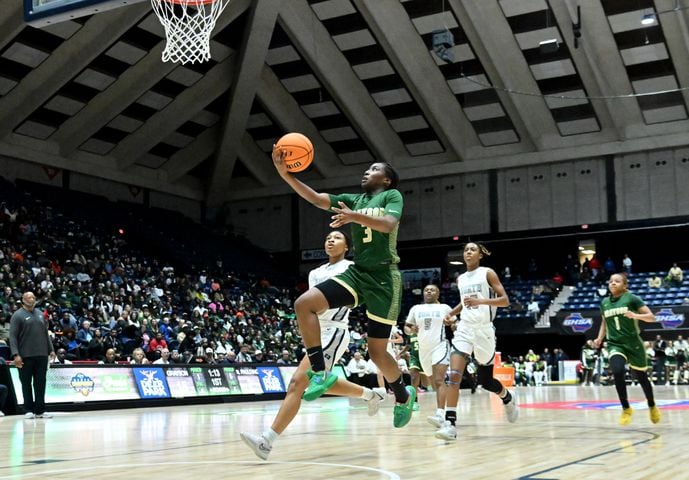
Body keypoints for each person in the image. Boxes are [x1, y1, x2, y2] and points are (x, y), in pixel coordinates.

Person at [267, 147, 415, 427]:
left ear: (386, 180)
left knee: (377, 352)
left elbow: (387, 224)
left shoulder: (391, 196)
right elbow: (316, 198)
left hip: (384, 278)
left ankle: (403, 395)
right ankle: (321, 372)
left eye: (374, 169)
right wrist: (286, 175)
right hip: (359, 273)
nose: (367, 171)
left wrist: (354, 217)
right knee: (304, 304)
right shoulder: (353, 199)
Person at [240, 230, 387, 460]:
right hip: (316, 331)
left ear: (347, 247)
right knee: (321, 384)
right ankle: (371, 395)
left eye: (337, 238)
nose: (331, 240)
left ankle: (266, 442)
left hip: (335, 330)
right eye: (328, 237)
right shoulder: (315, 273)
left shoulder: (351, 269)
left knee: (297, 383)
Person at [436, 242, 518, 441]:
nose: (468, 252)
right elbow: (465, 302)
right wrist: (451, 313)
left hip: (484, 330)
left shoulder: (487, 273)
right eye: (466, 250)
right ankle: (450, 425)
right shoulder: (461, 278)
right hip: (465, 329)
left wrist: (481, 301)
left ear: (480, 255)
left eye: (473, 249)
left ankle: (507, 397)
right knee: (453, 375)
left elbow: (505, 300)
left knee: (486, 381)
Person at [593, 273, 661, 425]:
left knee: (642, 377)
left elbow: (652, 317)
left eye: (617, 281)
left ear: (625, 285)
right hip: (615, 344)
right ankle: (626, 408)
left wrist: (635, 316)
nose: (613, 283)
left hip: (633, 343)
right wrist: (599, 338)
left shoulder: (632, 298)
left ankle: (652, 405)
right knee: (617, 371)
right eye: (610, 281)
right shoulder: (604, 302)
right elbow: (604, 323)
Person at [405, 284, 452, 430]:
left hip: (440, 345)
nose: (429, 291)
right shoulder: (416, 309)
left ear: (438, 293)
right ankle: (446, 402)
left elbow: (454, 323)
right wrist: (410, 330)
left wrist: (452, 324)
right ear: (423, 293)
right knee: (428, 383)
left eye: (432, 290)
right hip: (423, 350)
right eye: (426, 290)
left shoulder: (444, 307)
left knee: (439, 380)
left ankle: (441, 414)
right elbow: (406, 327)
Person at [9, 291, 56, 419]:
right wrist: (15, 354)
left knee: (40, 383)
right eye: (29, 297)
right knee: (26, 383)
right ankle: (28, 409)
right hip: (25, 356)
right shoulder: (17, 315)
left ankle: (40, 410)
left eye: (33, 297)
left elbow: (45, 334)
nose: (32, 299)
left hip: (41, 355)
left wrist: (51, 350)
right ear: (23, 300)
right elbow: (12, 336)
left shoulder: (40, 314)